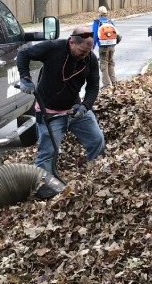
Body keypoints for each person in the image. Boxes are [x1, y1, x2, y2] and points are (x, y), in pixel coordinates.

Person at [16, 26, 105, 174]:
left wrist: (85, 106)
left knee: (97, 140)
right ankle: (43, 184)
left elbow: (93, 86)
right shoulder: (53, 48)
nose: (85, 55)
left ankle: (94, 174)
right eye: (82, 51)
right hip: (50, 113)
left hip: (74, 109)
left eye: (88, 52)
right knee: (47, 154)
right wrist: (25, 77)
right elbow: (23, 54)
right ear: (72, 43)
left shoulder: (90, 59)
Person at [91, 6, 121, 89]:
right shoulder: (110, 22)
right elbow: (116, 34)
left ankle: (106, 85)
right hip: (112, 46)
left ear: (99, 13)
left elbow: (94, 36)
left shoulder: (97, 22)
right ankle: (114, 82)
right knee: (111, 63)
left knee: (103, 64)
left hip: (103, 47)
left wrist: (92, 47)